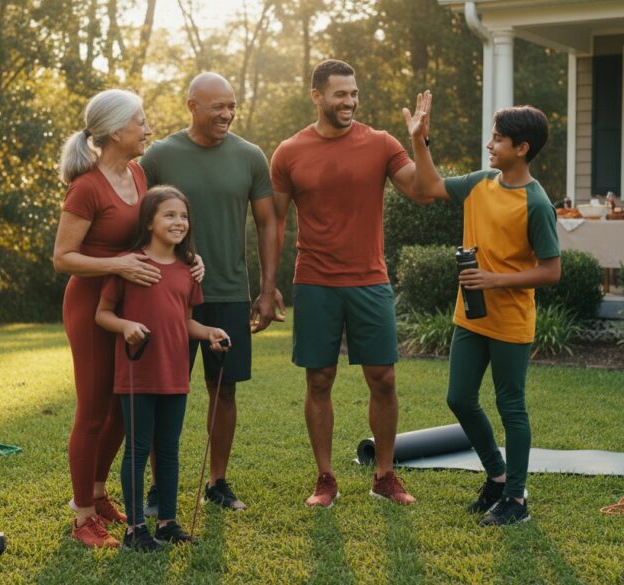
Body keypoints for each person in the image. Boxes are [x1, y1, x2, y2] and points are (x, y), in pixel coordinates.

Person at [53, 89, 204, 548]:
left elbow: (150, 236)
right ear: (117, 130)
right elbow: (63, 258)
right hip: (93, 307)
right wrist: (117, 265)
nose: (148, 129)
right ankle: (82, 518)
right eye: (141, 122)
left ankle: (98, 496)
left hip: (134, 303)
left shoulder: (137, 174)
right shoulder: (86, 186)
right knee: (94, 409)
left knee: (123, 409)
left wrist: (187, 261)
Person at [270, 59, 425, 507]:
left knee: (384, 378)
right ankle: (325, 477)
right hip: (315, 280)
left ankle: (384, 475)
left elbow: (420, 188)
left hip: (370, 279)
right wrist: (267, 284)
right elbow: (275, 224)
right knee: (319, 379)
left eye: (354, 93)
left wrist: (418, 141)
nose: (350, 101)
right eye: (340, 94)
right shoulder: (289, 151)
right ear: (317, 95)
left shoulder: (380, 143)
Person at [403, 92, 561, 526]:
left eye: (497, 140)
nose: (490, 146)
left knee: (512, 406)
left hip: (511, 320)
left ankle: (516, 500)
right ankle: (496, 475)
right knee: (459, 398)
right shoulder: (479, 183)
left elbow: (551, 271)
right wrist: (421, 140)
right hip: (470, 316)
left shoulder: (536, 203)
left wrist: (495, 280)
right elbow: (428, 186)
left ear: (521, 148)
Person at [139, 72, 281, 512]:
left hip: (228, 292)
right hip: (168, 294)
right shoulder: (160, 155)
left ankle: (217, 482)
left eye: (232, 105)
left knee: (225, 388)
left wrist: (267, 288)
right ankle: (160, 486)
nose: (227, 113)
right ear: (192, 106)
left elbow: (267, 222)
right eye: (217, 106)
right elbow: (136, 218)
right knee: (163, 391)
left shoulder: (249, 156)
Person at [96, 186, 229, 550]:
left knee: (168, 449)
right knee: (137, 450)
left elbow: (184, 322)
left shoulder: (189, 270)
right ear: (150, 221)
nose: (178, 222)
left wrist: (209, 333)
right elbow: (103, 314)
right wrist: (126, 326)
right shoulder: (130, 264)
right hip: (137, 372)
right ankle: (135, 528)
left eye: (183, 216)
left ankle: (167, 522)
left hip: (174, 372)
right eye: (169, 215)